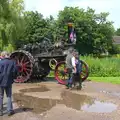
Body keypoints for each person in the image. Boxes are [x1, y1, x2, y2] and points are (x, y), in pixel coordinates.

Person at [0, 51, 18, 116]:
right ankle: (9, 111)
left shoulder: (0, 62)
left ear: (3, 56)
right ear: (8, 55)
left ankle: (0, 111)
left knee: (1, 96)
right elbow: (15, 71)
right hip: (9, 81)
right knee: (9, 96)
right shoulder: (12, 62)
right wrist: (13, 78)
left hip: (0, 82)